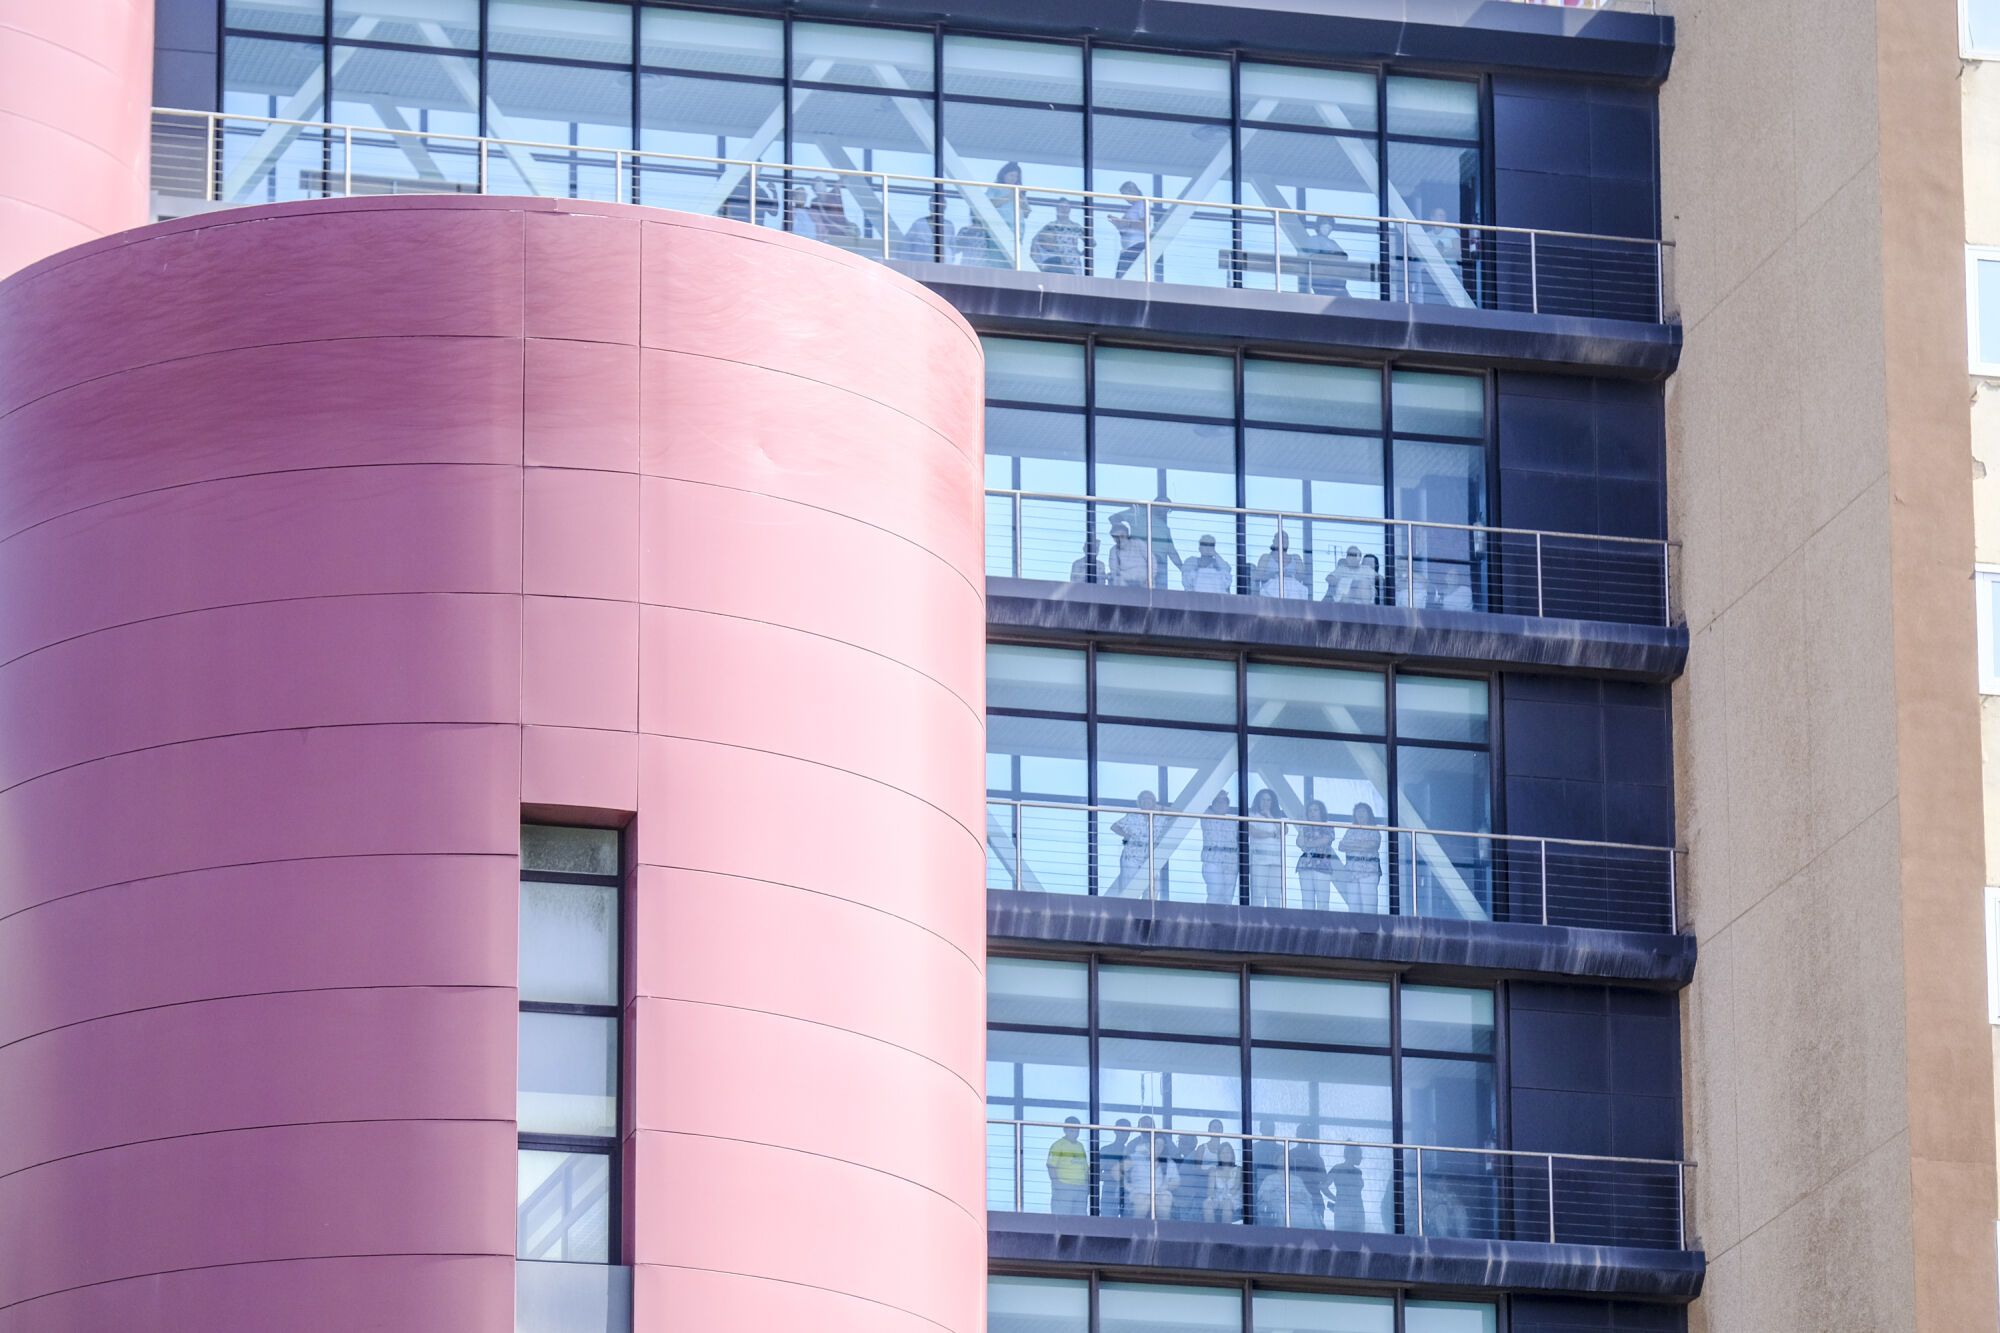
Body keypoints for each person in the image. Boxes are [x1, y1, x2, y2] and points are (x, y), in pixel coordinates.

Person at [1109, 791, 1161, 897]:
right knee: (1129, 889)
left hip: (1149, 858)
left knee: (1153, 889)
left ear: (1153, 802)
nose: (1146, 801)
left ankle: (1148, 912)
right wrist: (1127, 836)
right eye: (1144, 799)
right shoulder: (1133, 816)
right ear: (1139, 802)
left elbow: (1178, 813)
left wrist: (1161, 808)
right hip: (1131, 857)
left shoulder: (1160, 818)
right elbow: (1114, 826)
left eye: (1149, 799)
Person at [1337, 802, 1384, 915]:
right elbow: (1341, 846)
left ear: (1369, 814)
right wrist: (1360, 844)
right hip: (1351, 872)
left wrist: (1352, 845)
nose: (1360, 814)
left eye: (1363, 811)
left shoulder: (1373, 830)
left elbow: (1371, 845)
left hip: (1368, 870)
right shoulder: (1350, 830)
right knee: (1353, 906)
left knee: (1369, 906)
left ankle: (1370, 930)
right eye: (1358, 812)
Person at [1284, 1122, 1333, 1228]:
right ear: (1297, 1135)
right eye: (1301, 1133)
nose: (1303, 1136)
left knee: (1317, 1235)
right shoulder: (1289, 1155)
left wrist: (1306, 1175)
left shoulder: (1316, 1158)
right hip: (1295, 1200)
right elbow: (1283, 1177)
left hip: (1314, 1199)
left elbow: (1323, 1179)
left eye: (1305, 1133)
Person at [1194, 1119, 1240, 1224]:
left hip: (1226, 1190)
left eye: (1219, 1127)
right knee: (1209, 1203)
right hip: (1205, 1183)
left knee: (1227, 1203)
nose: (1217, 1129)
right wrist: (1210, 1171)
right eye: (1214, 1127)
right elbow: (1196, 1168)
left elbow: (1235, 1180)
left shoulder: (1226, 1149)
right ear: (1209, 1129)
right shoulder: (1202, 1148)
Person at [1295, 799, 1337, 910]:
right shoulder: (1305, 826)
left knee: (1323, 901)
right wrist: (1301, 828)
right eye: (1310, 811)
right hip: (1305, 866)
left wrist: (1307, 844)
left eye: (1315, 810)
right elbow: (1299, 843)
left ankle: (1322, 926)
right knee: (1307, 901)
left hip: (1322, 865)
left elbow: (1324, 840)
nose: (1312, 813)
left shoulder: (1328, 826)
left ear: (1321, 812)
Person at [1246, 788, 1285, 907]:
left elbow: (1284, 831)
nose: (1265, 802)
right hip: (1259, 860)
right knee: (1258, 893)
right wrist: (1273, 834)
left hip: (1276, 862)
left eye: (1268, 800)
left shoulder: (1277, 817)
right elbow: (1253, 832)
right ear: (1258, 801)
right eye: (1263, 799)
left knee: (1274, 895)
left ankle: (1275, 922)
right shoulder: (1252, 815)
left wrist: (1270, 816)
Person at [1199, 792, 1239, 905]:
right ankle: (1210, 919)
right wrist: (1216, 791)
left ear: (1228, 806)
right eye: (1218, 801)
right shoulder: (1207, 816)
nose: (1221, 804)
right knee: (1215, 892)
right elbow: (1200, 801)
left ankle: (1226, 920)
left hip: (1231, 861)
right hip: (1212, 859)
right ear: (1213, 804)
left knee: (1227, 896)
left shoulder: (1233, 822)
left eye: (1224, 802)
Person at [1030, 198, 1087, 275]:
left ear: (1070, 209)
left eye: (1066, 207)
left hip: (1074, 263)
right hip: (1059, 263)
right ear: (1056, 209)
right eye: (1061, 207)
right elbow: (1035, 241)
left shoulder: (1076, 227)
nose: (1064, 209)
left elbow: (1091, 243)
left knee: (1076, 284)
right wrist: (1039, 264)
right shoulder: (1052, 225)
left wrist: (1080, 253)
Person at [1046, 1117, 1089, 1215]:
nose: (1074, 1133)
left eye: (1077, 1130)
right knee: (1063, 1217)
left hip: (1080, 1188)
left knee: (1080, 1218)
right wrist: (1057, 1184)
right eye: (1071, 1130)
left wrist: (1087, 1185)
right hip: (1064, 1187)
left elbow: (1085, 1168)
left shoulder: (1080, 1146)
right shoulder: (1058, 1145)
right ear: (1065, 1130)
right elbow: (1051, 1166)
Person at [901, 193, 955, 263]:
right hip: (920, 263)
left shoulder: (949, 226)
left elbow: (953, 248)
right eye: (934, 205)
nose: (937, 207)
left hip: (941, 264)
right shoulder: (919, 223)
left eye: (941, 205)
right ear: (929, 206)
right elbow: (906, 245)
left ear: (945, 207)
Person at [1328, 1144, 1369, 1233]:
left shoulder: (1358, 1172)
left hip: (1358, 1211)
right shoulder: (1338, 1168)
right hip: (1344, 1212)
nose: (1361, 1158)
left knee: (1357, 1241)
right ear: (1351, 1154)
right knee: (1342, 1240)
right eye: (1359, 1155)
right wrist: (1336, 1200)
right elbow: (1323, 1186)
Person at [1111, 181, 1149, 278]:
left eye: (1126, 194)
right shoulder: (1134, 207)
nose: (1125, 198)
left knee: (1123, 277)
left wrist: (1126, 223)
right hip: (1128, 247)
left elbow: (1145, 225)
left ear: (1133, 191)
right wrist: (1119, 224)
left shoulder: (1142, 204)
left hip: (1136, 246)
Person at [1256, 531, 1307, 598]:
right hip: (1271, 595)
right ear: (1274, 541)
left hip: (1293, 595)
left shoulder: (1296, 558)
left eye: (1286, 538)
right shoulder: (1266, 557)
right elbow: (1258, 576)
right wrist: (1273, 575)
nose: (1284, 540)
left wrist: (1290, 576)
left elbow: (1303, 577)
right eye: (1281, 538)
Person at [808, 180, 858, 246]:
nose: (821, 188)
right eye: (818, 186)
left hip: (843, 229)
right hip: (830, 234)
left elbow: (838, 184)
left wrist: (848, 225)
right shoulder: (815, 202)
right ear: (815, 190)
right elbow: (824, 220)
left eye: (822, 185)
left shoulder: (832, 195)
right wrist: (843, 229)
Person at [1100, 1119, 1133, 1218]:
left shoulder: (1131, 1152)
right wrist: (1114, 1176)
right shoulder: (1106, 1150)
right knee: (1107, 1226)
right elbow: (1095, 1175)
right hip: (1109, 1194)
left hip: (1127, 1195)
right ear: (1115, 1131)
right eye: (1121, 1131)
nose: (1124, 1134)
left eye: (1127, 1131)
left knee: (1128, 1228)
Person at [1105, 522, 1151, 588]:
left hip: (1143, 579)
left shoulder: (1139, 544)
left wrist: (1149, 577)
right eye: (1116, 537)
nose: (1120, 539)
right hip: (1125, 580)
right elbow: (1114, 570)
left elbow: (1152, 562)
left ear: (1127, 535)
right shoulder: (1113, 550)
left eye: (1122, 536)